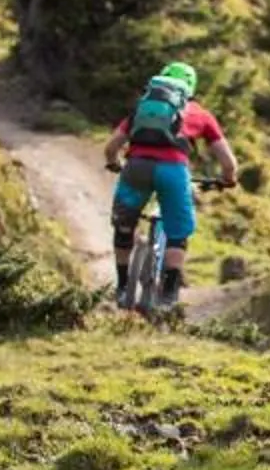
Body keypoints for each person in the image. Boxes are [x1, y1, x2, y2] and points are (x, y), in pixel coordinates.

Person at [100, 61, 239, 318]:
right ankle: (169, 295)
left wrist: (114, 163)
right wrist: (227, 179)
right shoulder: (200, 114)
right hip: (174, 172)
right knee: (177, 233)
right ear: (191, 88)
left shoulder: (142, 108)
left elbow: (111, 148)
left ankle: (121, 287)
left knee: (124, 225)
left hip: (136, 167)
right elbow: (228, 163)